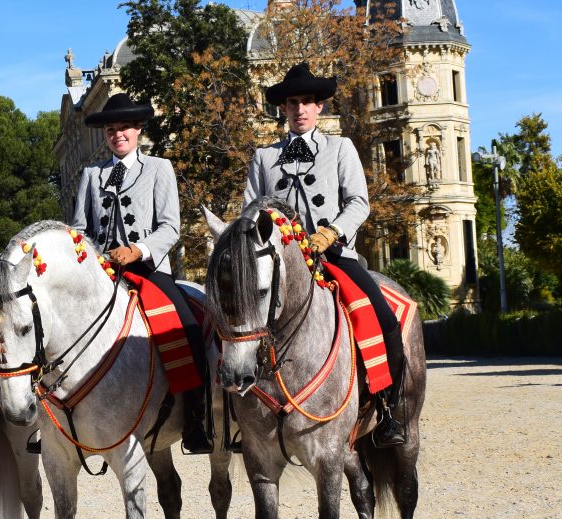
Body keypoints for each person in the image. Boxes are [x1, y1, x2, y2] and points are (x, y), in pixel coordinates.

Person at [244, 63, 405, 447]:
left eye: (308, 102)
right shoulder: (264, 158)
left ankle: (386, 408)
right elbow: (250, 213)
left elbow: (358, 202)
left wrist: (331, 232)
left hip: (333, 255)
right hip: (280, 262)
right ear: (283, 109)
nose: (300, 109)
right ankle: (239, 416)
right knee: (237, 324)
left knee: (383, 320)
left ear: (319, 108)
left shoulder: (340, 147)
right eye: (293, 102)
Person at [72, 93, 212, 453]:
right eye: (111, 130)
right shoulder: (90, 174)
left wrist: (137, 250)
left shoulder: (159, 168)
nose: (118, 134)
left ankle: (197, 416)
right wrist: (94, 257)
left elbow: (170, 226)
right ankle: (56, 417)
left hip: (148, 268)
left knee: (186, 325)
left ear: (137, 130)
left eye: (124, 128)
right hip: (101, 272)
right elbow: (79, 228)